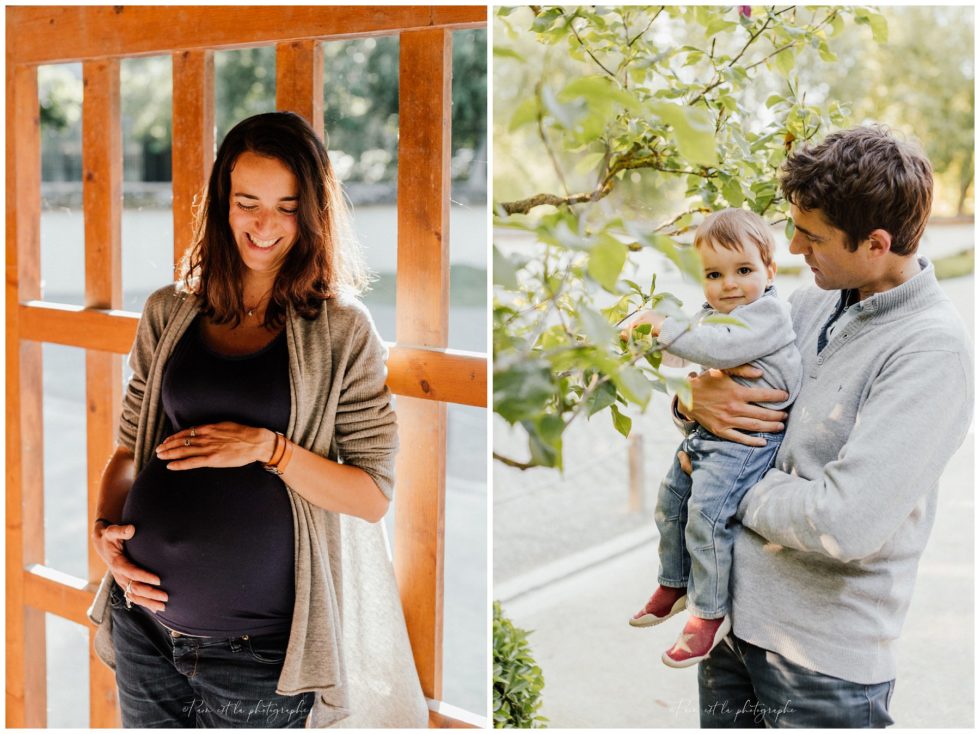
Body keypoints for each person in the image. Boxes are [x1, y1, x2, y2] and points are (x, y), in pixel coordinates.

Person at [86, 112, 428, 728]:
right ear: (222, 203)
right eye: (248, 203)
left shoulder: (340, 329)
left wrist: (269, 449)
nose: (264, 225)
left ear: (313, 212)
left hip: (259, 657)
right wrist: (105, 537)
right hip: (144, 632)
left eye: (287, 206)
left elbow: (372, 495)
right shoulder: (169, 311)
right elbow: (127, 452)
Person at [668, 126, 972, 727]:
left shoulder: (931, 352)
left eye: (812, 236)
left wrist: (723, 487)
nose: (794, 249)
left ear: (876, 243)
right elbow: (725, 398)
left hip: (822, 668)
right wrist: (690, 405)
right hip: (733, 631)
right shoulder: (803, 306)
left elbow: (845, 521)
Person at [624, 208, 802, 668]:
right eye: (714, 274)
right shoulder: (713, 313)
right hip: (706, 436)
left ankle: (708, 612)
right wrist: (640, 340)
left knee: (707, 515)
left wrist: (662, 324)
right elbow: (682, 362)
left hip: (744, 444)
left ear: (769, 270)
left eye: (744, 270)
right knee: (671, 501)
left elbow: (716, 348)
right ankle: (675, 579)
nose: (729, 284)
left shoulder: (768, 315)